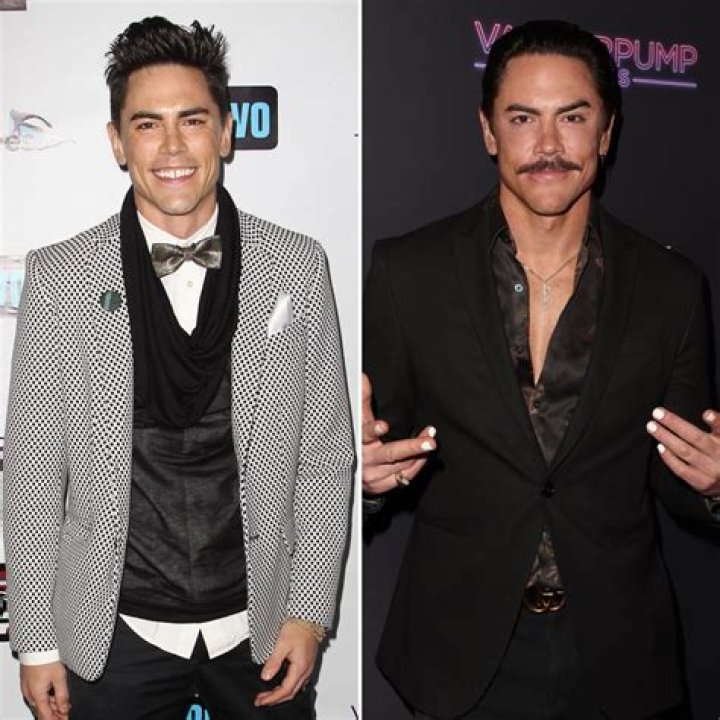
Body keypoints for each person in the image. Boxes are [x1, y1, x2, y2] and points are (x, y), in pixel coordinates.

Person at [363, 19, 715, 720]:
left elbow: (680, 473)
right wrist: (364, 481)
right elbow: (382, 450)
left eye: (573, 118)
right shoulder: (409, 272)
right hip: (460, 654)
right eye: (523, 118)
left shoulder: (672, 287)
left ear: (607, 132)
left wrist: (714, 486)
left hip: (619, 654)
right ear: (488, 130)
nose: (548, 145)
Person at [3, 16, 353, 720]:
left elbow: (322, 456)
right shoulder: (60, 277)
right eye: (147, 124)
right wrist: (36, 640)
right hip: (113, 634)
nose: (171, 148)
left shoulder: (297, 265)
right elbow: (35, 471)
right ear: (116, 142)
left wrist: (310, 612)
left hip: (261, 627)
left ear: (225, 132)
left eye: (192, 121)